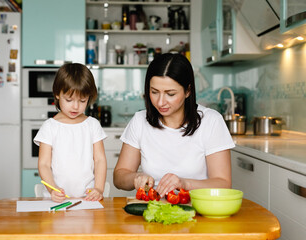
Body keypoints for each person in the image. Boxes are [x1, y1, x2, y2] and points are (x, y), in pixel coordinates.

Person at [113, 53, 235, 198]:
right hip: (152, 210)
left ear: (188, 91)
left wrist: (185, 184)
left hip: (198, 211)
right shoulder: (140, 121)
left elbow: (223, 183)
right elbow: (119, 177)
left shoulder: (211, 121)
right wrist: (135, 178)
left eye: (170, 94)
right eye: (154, 92)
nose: (160, 102)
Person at [34, 63, 107, 202]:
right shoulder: (49, 127)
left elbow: (100, 160)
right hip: (56, 199)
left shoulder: (92, 125)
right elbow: (44, 164)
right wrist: (52, 189)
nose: (75, 106)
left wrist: (98, 189)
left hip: (87, 199)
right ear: (57, 94)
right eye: (69, 100)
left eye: (82, 100)